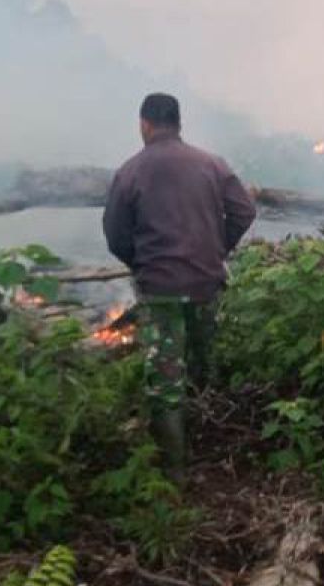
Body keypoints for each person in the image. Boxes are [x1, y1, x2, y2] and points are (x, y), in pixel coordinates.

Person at [103, 93, 257, 476]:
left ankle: (175, 475)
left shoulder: (131, 171)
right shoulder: (212, 164)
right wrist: (218, 247)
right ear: (178, 123)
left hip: (160, 290)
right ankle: (218, 448)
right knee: (205, 362)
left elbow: (115, 233)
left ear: (145, 124)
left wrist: (140, 262)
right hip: (206, 282)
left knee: (165, 380)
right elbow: (245, 210)